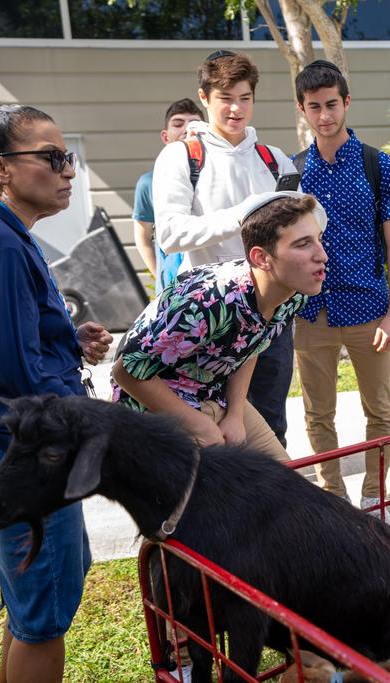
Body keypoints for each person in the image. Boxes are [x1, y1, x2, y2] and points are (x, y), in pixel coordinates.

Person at [0, 94, 113, 683]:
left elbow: (9, 347)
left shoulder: (3, 235)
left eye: (68, 157)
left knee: (34, 606)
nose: (68, 171)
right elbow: (20, 375)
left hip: (3, 446)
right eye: (52, 157)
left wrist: (67, 342)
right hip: (10, 450)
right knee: (43, 615)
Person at [152, 49, 298, 448]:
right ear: (204, 97)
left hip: (269, 318)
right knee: (208, 436)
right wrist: (245, 215)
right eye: (226, 98)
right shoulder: (181, 156)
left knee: (270, 428)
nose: (236, 109)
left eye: (245, 98)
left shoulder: (275, 160)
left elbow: (300, 229)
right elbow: (170, 234)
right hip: (209, 321)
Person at [112, 192, 327, 461]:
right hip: (156, 409)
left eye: (319, 239)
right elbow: (125, 372)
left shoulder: (293, 293)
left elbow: (249, 346)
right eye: (303, 244)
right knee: (214, 488)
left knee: (286, 483)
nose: (322, 255)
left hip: (216, 393)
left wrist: (235, 414)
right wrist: (199, 425)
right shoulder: (209, 301)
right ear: (261, 258)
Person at [293, 60, 390, 521]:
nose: (324, 115)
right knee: (318, 414)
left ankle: (375, 499)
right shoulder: (292, 172)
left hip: (370, 311)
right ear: (302, 109)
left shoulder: (379, 166)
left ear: (346, 102)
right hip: (312, 314)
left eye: (331, 104)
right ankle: (333, 498)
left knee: (379, 412)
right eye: (314, 107)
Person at [132, 98, 205, 294]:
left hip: (213, 289)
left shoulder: (221, 177)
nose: (186, 129)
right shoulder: (149, 183)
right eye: (178, 124)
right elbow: (143, 237)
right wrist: (162, 278)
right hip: (172, 293)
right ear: (165, 136)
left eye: (194, 124)